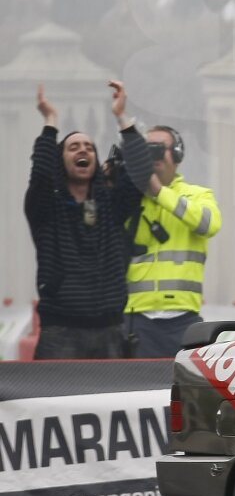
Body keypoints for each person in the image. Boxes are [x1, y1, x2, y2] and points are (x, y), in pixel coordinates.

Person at [25, 81, 154, 359]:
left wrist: (122, 117)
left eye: (89, 147)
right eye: (73, 147)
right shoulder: (46, 208)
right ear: (61, 161)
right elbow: (41, 175)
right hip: (60, 332)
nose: (83, 151)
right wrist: (51, 122)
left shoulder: (111, 205)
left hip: (110, 331)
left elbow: (141, 172)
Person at [124, 124, 223, 358]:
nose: (154, 155)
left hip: (183, 321)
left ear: (177, 154)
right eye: (147, 150)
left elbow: (209, 224)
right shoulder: (128, 198)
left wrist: (160, 192)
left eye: (160, 149)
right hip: (136, 319)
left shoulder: (197, 194)